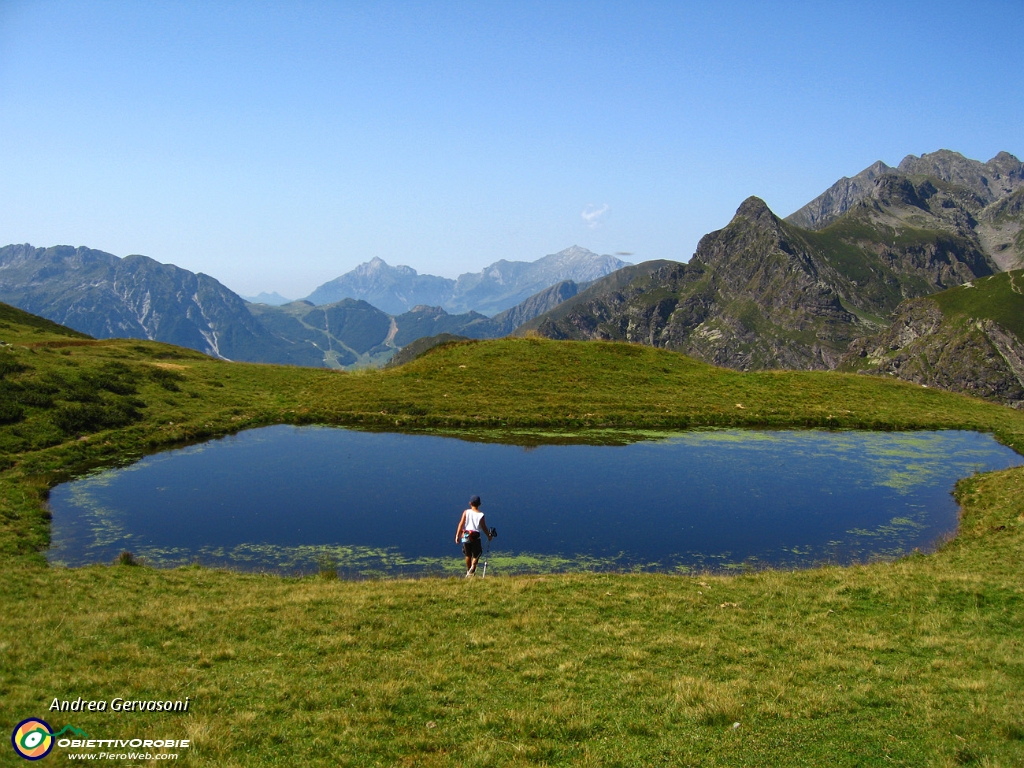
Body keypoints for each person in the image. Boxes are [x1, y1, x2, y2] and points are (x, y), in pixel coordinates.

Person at [455, 495, 493, 577]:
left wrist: (457, 536)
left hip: (466, 535)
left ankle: (469, 571)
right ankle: (472, 569)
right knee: (477, 554)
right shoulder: (481, 515)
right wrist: (489, 536)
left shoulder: (466, 512)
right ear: (479, 504)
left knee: (467, 554)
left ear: (470, 503)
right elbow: (484, 527)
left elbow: (461, 524)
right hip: (475, 536)